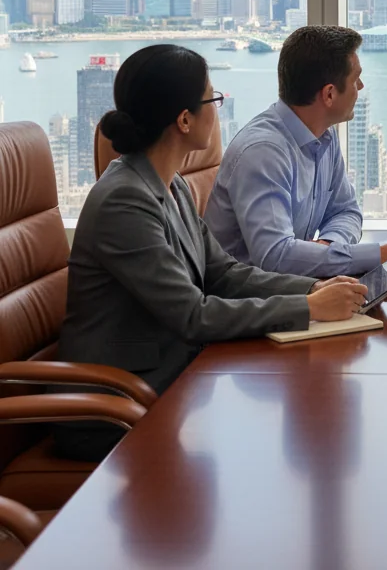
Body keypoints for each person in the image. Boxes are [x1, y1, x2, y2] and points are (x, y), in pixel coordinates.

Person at [57, 45, 368, 461]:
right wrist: (308, 309)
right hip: (116, 404)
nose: (218, 109)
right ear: (184, 120)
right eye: (212, 99)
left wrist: (318, 287)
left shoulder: (172, 185)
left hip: (170, 377)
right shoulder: (125, 201)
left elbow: (225, 274)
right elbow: (193, 314)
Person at [205, 25, 387, 276]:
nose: (360, 86)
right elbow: (275, 256)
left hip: (294, 289)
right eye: (355, 79)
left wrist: (328, 247)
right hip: (251, 304)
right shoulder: (263, 153)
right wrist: (381, 254)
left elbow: (346, 211)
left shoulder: (324, 134)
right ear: (329, 94)